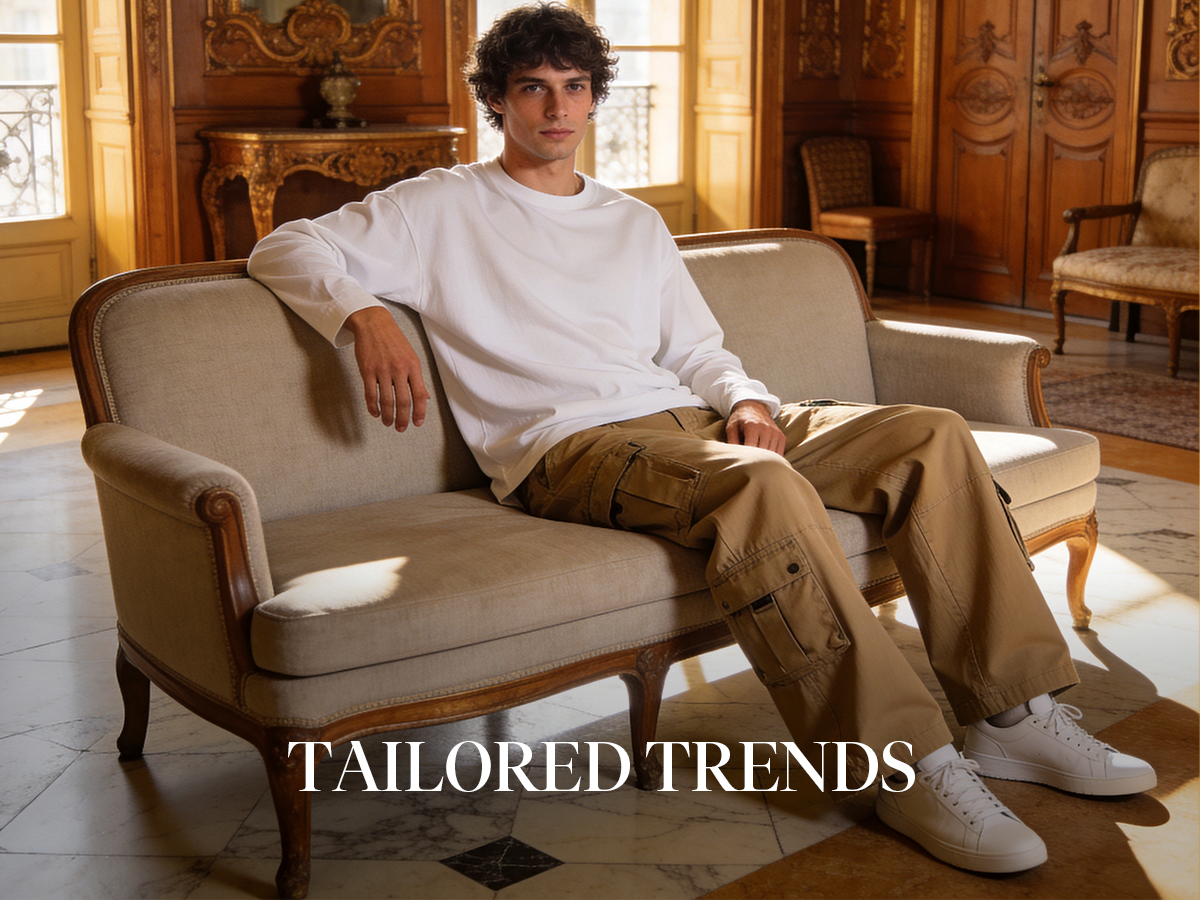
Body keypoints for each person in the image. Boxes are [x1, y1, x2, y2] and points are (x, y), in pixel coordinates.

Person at [248, 1, 1155, 875]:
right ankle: (901, 765)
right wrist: (365, 315)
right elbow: (284, 248)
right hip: (567, 448)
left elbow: (694, 349)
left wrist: (748, 402)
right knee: (759, 486)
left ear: (595, 97)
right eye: (533, 87)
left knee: (931, 435)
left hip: (688, 419)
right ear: (496, 98)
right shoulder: (437, 207)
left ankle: (1013, 716)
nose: (557, 107)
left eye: (574, 86)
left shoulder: (630, 221)